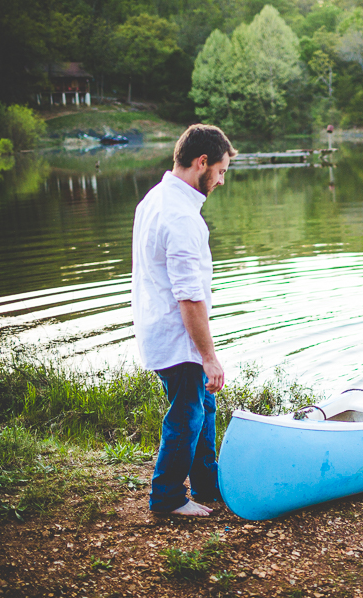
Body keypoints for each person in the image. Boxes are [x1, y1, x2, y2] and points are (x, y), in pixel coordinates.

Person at [131, 124, 237, 516]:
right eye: (221, 171)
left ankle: (208, 484)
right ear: (201, 162)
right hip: (178, 337)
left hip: (158, 328)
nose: (221, 181)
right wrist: (209, 357)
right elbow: (189, 297)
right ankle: (167, 497)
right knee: (187, 416)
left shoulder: (154, 200)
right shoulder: (181, 217)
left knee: (202, 407)